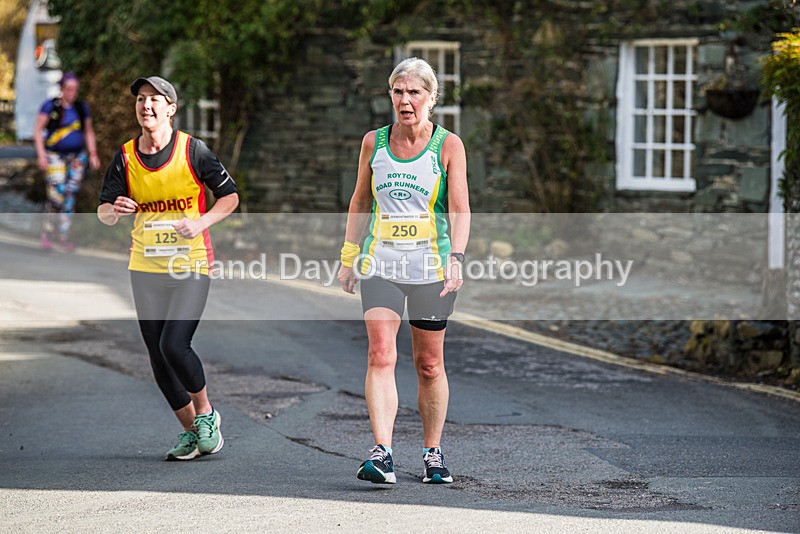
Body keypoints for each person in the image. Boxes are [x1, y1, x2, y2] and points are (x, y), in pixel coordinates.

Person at [337, 57, 471, 484]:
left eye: (414, 92)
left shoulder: (448, 145)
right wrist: (348, 255)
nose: (405, 100)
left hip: (432, 266)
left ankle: (432, 453)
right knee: (381, 354)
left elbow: (460, 208)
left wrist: (457, 259)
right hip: (382, 264)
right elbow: (360, 201)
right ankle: (382, 453)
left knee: (429, 364)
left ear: (432, 98)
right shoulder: (373, 142)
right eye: (398, 91)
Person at [97, 76, 239, 461]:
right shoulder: (125, 156)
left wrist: (201, 222)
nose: (146, 106)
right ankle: (192, 434)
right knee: (157, 357)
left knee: (174, 345)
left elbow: (230, 197)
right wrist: (115, 210)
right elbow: (103, 209)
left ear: (171, 109)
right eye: (141, 99)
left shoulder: (194, 151)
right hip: (145, 266)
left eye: (155, 100)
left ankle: (207, 413)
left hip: (191, 262)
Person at [33, 72, 100, 251]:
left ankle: (63, 236)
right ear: (62, 88)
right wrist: (41, 155)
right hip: (54, 156)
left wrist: (93, 153)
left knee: (70, 196)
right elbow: (38, 130)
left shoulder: (81, 107)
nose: (72, 93)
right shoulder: (51, 106)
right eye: (69, 89)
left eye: (75, 89)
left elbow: (88, 131)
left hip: (77, 156)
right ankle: (47, 233)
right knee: (56, 195)